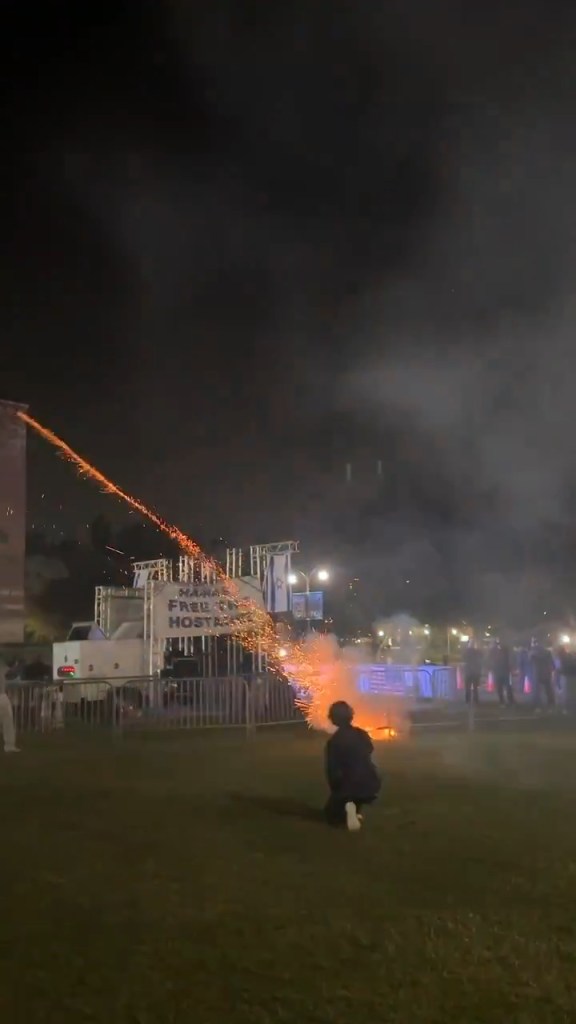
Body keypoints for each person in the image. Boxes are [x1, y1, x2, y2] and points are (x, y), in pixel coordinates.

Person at [324, 701, 381, 831]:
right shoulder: (361, 734)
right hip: (370, 782)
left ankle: (348, 805)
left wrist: (337, 791)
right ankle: (355, 807)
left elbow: (332, 770)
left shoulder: (334, 741)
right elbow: (369, 749)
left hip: (349, 785)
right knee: (356, 788)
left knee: (330, 815)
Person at [529, 639, 555, 711]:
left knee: (537, 690)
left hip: (538, 673)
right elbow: (552, 663)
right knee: (548, 689)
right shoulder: (548, 652)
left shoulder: (533, 653)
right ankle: (551, 703)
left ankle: (537, 705)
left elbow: (530, 662)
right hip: (547, 672)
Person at [0, 657, 20, 753]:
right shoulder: (2, 666)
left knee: (7, 721)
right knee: (7, 721)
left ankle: (9, 745)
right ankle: (9, 745)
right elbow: (12, 672)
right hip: (1, 696)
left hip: (2, 696)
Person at [489, 640, 515, 706]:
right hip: (502, 671)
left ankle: (504, 701)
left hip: (501, 671)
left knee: (503, 687)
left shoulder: (496, 652)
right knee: (505, 687)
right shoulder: (502, 651)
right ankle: (507, 701)